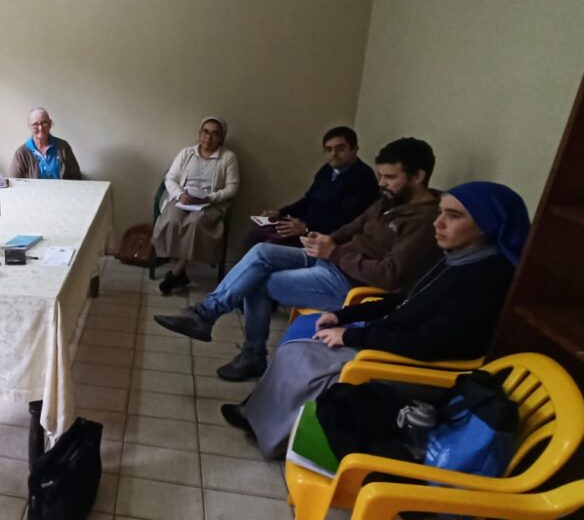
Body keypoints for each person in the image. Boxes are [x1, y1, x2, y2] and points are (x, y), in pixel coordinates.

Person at [221, 181, 529, 458]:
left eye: (454, 216)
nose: (438, 223)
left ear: (487, 226)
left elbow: (428, 344)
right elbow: (402, 300)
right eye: (440, 212)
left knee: (307, 360)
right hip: (393, 341)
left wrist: (351, 336)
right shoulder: (451, 257)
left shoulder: (486, 281)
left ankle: (274, 436)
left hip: (418, 368)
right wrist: (342, 315)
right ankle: (257, 416)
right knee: (297, 348)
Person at [154, 138, 443, 381]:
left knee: (258, 283)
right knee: (261, 252)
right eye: (381, 176)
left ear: (418, 177)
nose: (382, 184)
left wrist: (335, 252)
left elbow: (390, 275)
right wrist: (327, 239)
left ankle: (248, 352)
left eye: (390, 178)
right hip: (332, 260)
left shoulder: (425, 221)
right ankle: (206, 314)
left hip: (350, 284)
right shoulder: (392, 201)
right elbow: (354, 226)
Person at [246, 126, 378, 248]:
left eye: (340, 149)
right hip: (306, 224)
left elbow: (347, 220)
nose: (333, 154)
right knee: (256, 230)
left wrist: (306, 227)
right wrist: (280, 212)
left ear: (355, 149)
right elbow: (309, 199)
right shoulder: (326, 170)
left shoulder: (362, 177)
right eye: (328, 149)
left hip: (326, 235)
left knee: (269, 245)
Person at [154, 116, 240, 294]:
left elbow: (233, 188)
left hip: (209, 203)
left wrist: (210, 198)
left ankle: (177, 271)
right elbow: (170, 178)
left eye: (215, 134)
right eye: (205, 132)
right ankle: (180, 271)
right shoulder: (187, 153)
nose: (208, 138)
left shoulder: (228, 157)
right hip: (183, 199)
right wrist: (180, 194)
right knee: (171, 221)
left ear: (222, 138)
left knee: (195, 224)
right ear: (199, 134)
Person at [10, 107, 82, 180]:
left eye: (44, 123)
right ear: (29, 126)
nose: (40, 128)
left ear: (50, 124)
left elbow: (76, 176)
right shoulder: (21, 153)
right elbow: (15, 183)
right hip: (32, 191)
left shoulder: (64, 147)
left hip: (62, 191)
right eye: (35, 124)